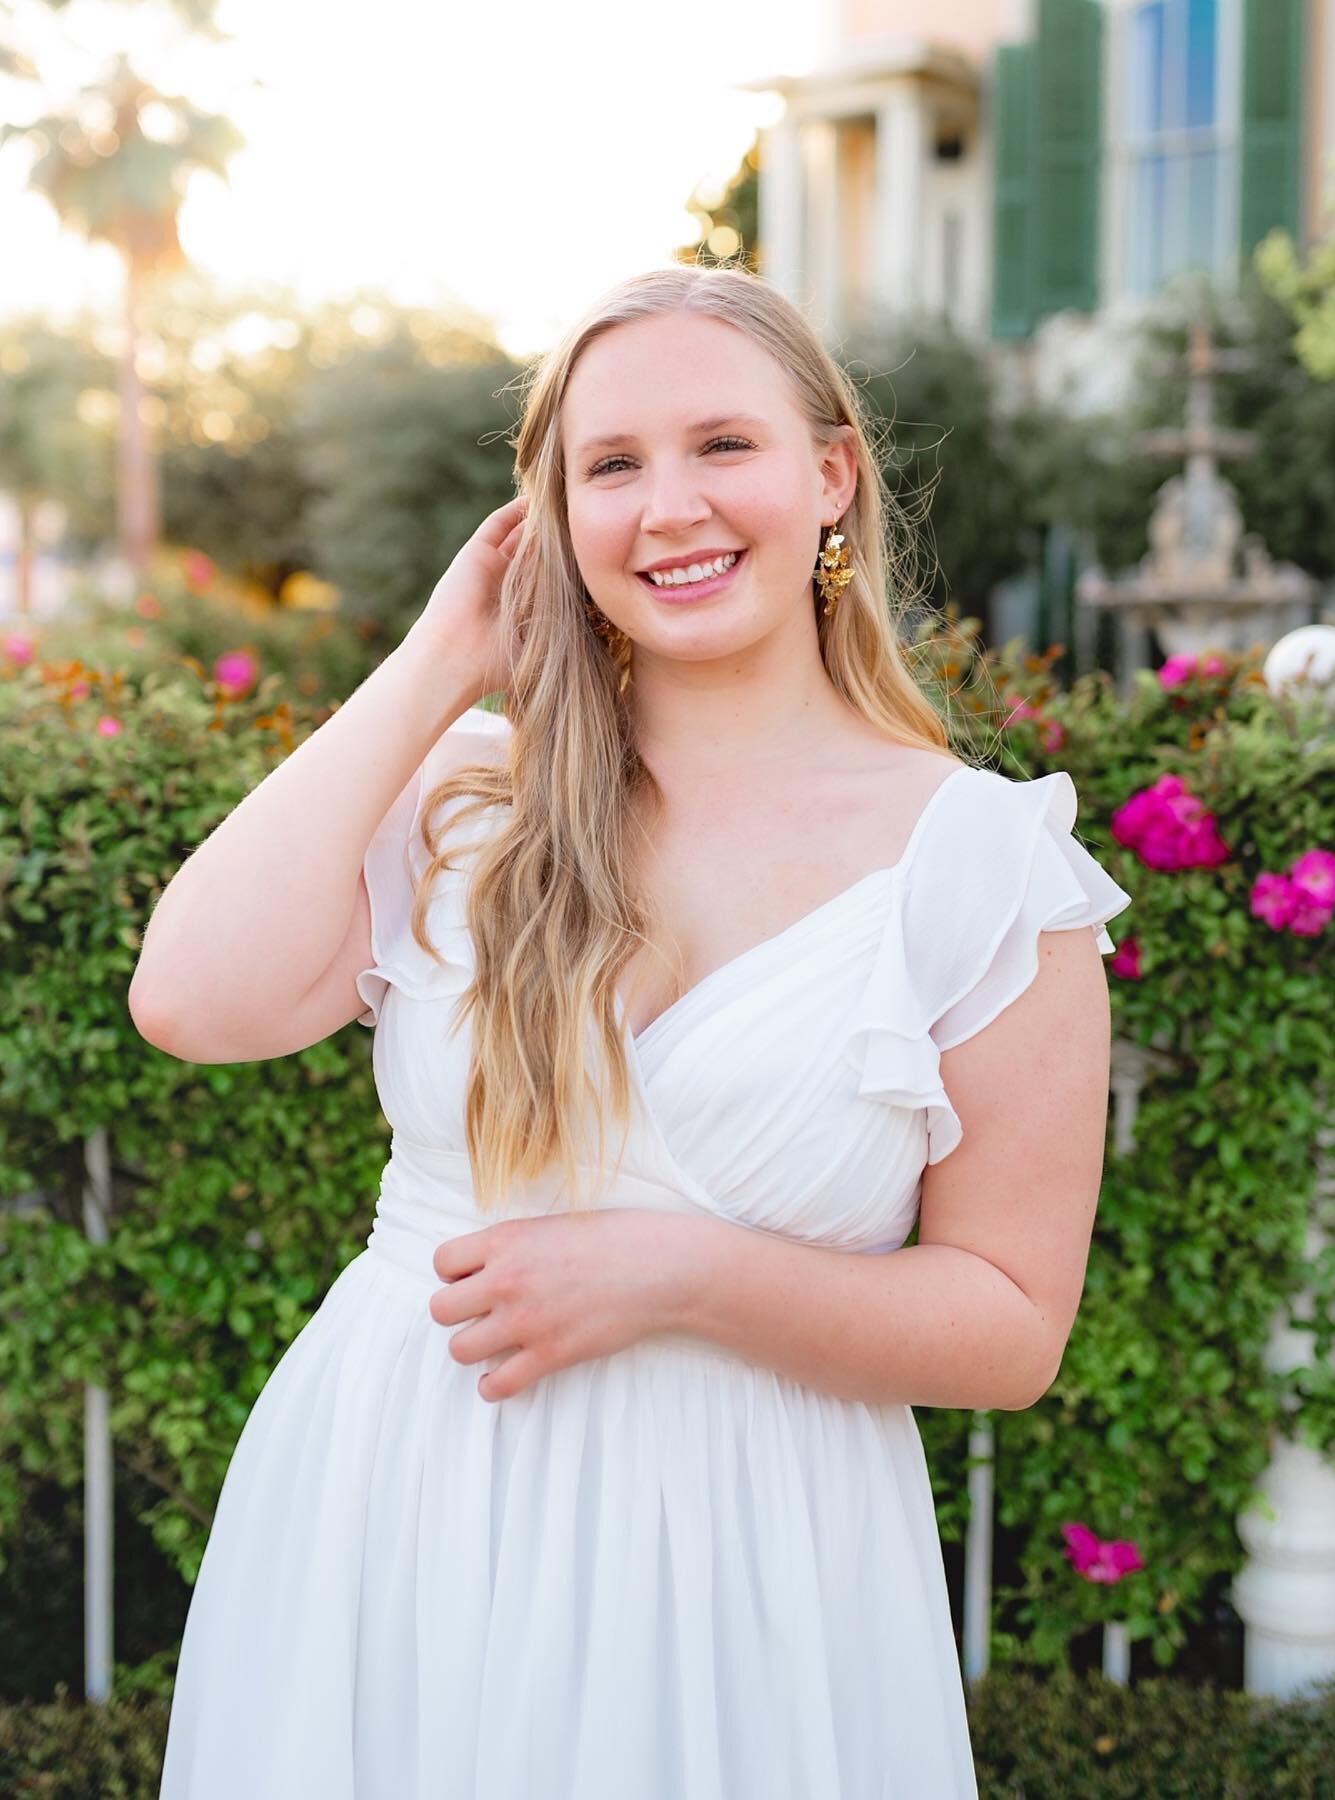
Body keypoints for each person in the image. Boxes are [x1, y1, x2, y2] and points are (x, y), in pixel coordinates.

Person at [136, 262, 1131, 1798]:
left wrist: (687, 1276)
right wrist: (434, 664)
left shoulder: (982, 867)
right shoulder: (466, 796)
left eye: (722, 444)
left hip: (752, 1559)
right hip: (399, 1515)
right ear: (547, 523)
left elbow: (1009, 1326)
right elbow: (191, 1002)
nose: (670, 505)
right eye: (612, 464)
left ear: (830, 476)